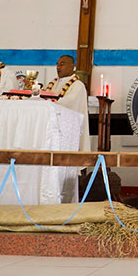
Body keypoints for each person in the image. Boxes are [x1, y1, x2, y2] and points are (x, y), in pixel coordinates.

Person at [47, 55, 91, 202]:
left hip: (67, 135)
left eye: (63, 64)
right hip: (53, 133)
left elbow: (69, 103)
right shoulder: (53, 84)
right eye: (57, 64)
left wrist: (48, 102)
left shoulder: (77, 85)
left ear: (73, 66)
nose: (59, 67)